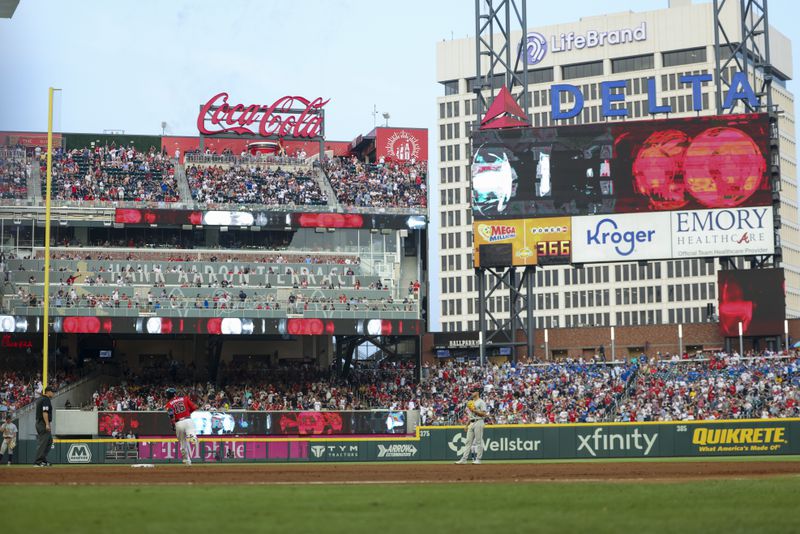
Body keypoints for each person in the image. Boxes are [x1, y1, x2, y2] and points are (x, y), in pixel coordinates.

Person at [165, 387, 198, 465]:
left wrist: (173, 424)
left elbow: (171, 415)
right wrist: (187, 412)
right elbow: (194, 407)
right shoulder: (185, 399)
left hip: (178, 423)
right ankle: (192, 436)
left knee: (183, 444)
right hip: (187, 420)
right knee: (191, 432)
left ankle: (187, 461)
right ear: (175, 394)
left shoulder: (168, 404)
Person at [455, 388, 488, 465]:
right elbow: (471, 416)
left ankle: (478, 459)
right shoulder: (471, 402)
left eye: (473, 392)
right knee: (468, 442)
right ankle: (464, 459)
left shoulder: (481, 402)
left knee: (479, 441)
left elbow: (484, 414)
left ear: (477, 392)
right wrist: (466, 425)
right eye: (471, 392)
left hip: (479, 421)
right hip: (472, 423)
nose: (471, 393)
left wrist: (474, 410)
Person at [34, 386, 56, 467]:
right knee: (43, 442)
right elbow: (45, 412)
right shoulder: (46, 399)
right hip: (43, 423)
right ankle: (38, 462)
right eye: (52, 391)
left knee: (49, 441)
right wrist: (47, 424)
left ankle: (43, 460)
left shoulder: (41, 399)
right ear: (48, 392)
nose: (53, 393)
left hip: (41, 422)